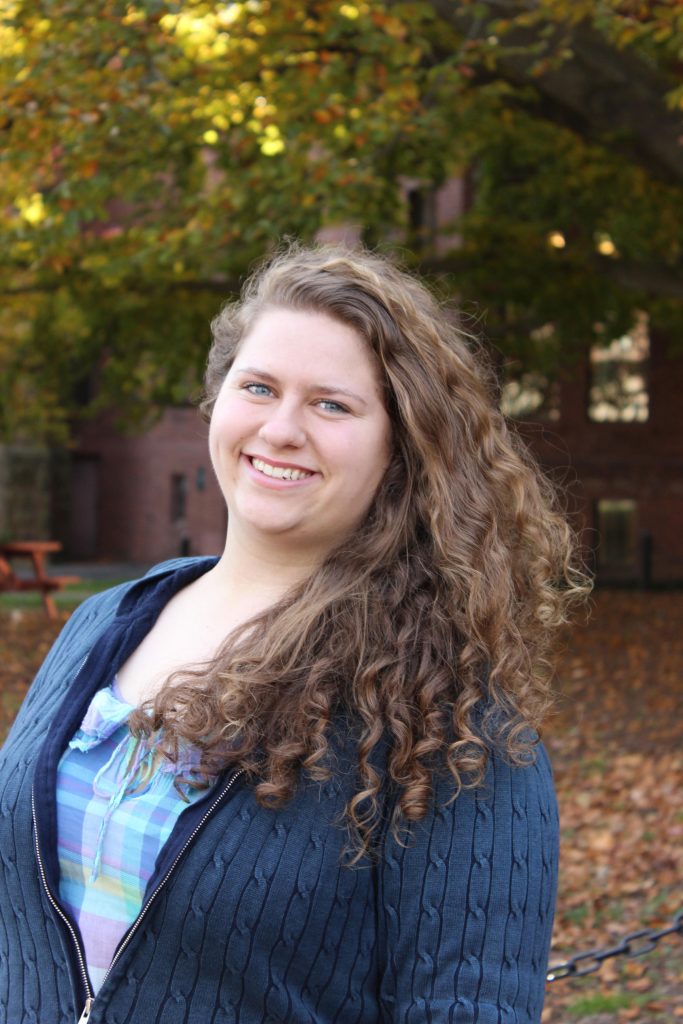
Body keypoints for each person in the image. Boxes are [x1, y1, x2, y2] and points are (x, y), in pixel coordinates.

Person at [0, 243, 587, 1024]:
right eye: (259, 387)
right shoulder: (102, 624)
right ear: (217, 400)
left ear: (401, 448)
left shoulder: (448, 719)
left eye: (331, 404)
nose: (280, 429)